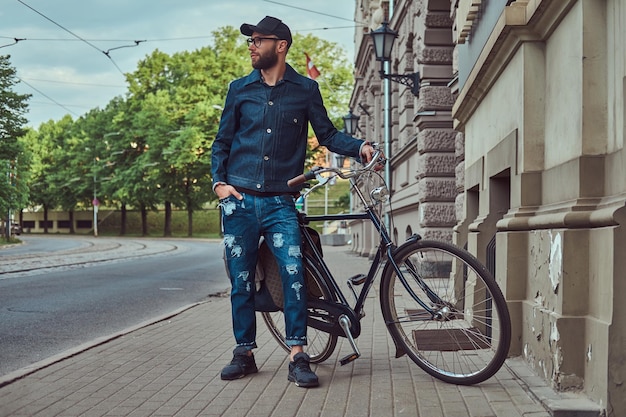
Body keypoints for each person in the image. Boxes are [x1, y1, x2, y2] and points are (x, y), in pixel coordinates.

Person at [211, 15, 377, 388]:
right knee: (241, 281)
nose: (251, 46)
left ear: (280, 45)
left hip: (280, 204)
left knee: (293, 277)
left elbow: (329, 135)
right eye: (250, 41)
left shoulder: (305, 90)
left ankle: (298, 355)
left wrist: (361, 146)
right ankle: (245, 352)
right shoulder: (239, 89)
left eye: (258, 40)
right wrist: (220, 184)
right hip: (239, 201)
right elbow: (222, 143)